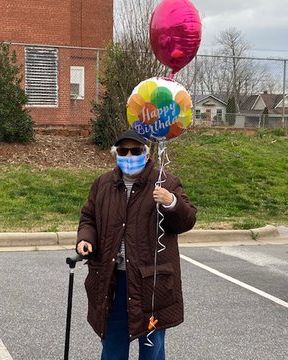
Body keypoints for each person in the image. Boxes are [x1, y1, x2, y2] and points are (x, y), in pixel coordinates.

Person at [76, 129, 197, 360]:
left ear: (147, 153)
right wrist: (85, 239)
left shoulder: (166, 182)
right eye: (123, 150)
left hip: (151, 284)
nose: (129, 155)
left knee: (151, 351)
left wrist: (171, 202)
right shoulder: (103, 184)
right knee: (112, 348)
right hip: (113, 281)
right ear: (116, 154)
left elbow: (187, 220)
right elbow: (88, 218)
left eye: (136, 150)